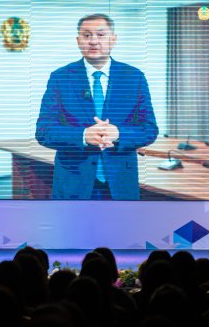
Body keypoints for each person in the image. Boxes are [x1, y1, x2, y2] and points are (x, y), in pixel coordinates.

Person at [36, 13, 158, 200]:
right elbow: (44, 131)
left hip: (120, 183)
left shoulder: (134, 77)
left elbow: (149, 129)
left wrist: (118, 134)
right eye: (87, 35)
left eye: (100, 35)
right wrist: (84, 135)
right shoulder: (60, 77)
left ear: (113, 39)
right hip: (74, 182)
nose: (93, 41)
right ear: (78, 41)